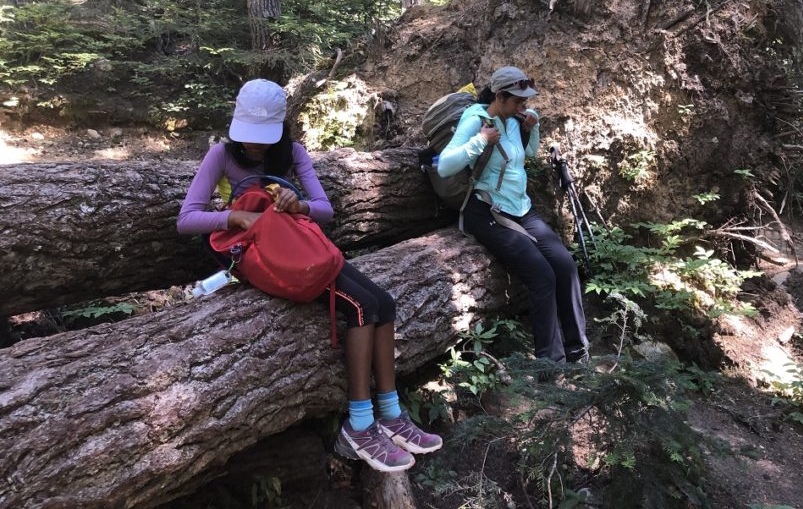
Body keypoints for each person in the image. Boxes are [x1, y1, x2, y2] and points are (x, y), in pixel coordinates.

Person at [177, 78, 441, 473]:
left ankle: (390, 412)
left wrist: (298, 204)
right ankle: (359, 424)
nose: (254, 145)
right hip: (258, 256)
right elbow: (188, 219)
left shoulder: (294, 152)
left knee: (384, 302)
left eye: (262, 137)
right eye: (248, 136)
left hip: (296, 246)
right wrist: (235, 215)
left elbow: (324, 209)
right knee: (361, 308)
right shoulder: (222, 154)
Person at [438, 67, 589, 364]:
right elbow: (445, 165)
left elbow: (526, 155)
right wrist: (480, 140)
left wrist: (533, 128)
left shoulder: (513, 119)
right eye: (519, 100)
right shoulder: (476, 119)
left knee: (566, 266)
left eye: (526, 99)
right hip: (486, 211)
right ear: (500, 96)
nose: (525, 104)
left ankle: (578, 350)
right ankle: (551, 364)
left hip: (521, 209)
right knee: (542, 275)